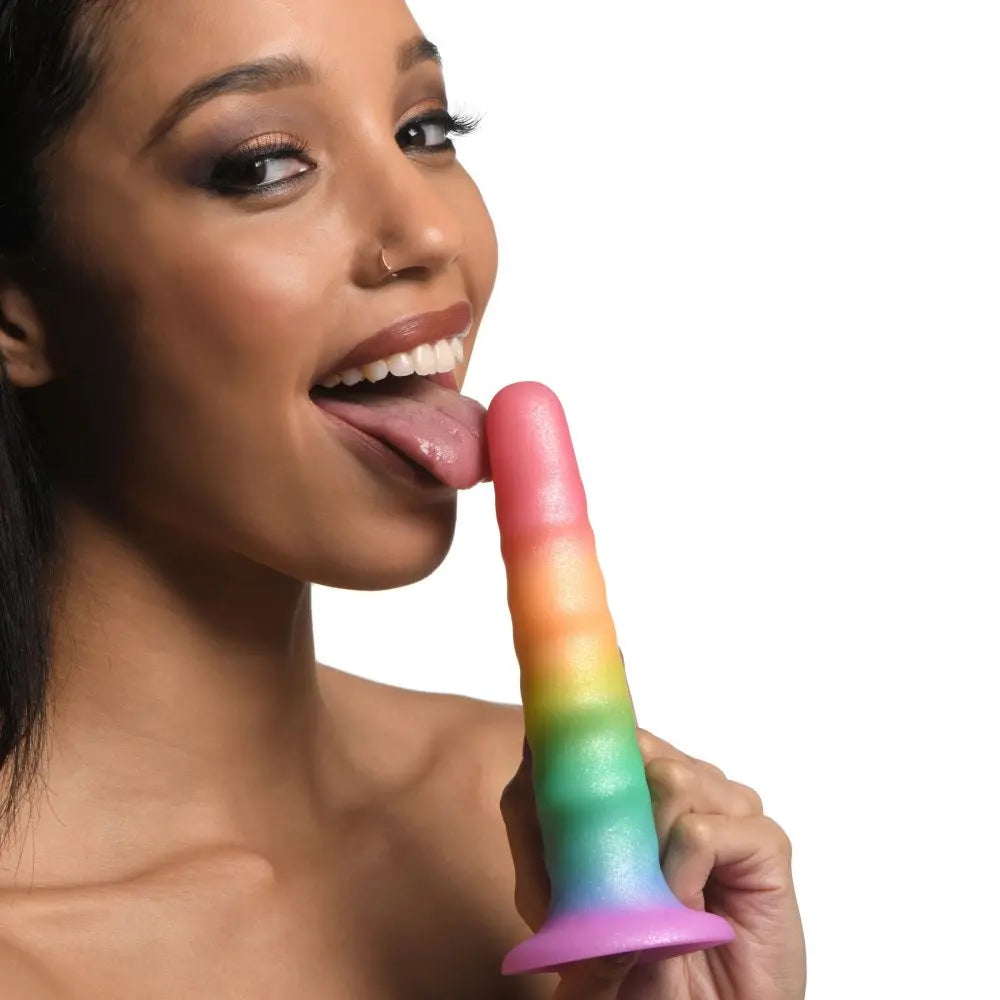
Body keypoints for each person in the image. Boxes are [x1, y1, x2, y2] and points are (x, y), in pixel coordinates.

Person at [0, 0, 806, 996]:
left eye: (423, 130)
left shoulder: (584, 842)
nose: (431, 228)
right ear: (17, 309)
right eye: (263, 164)